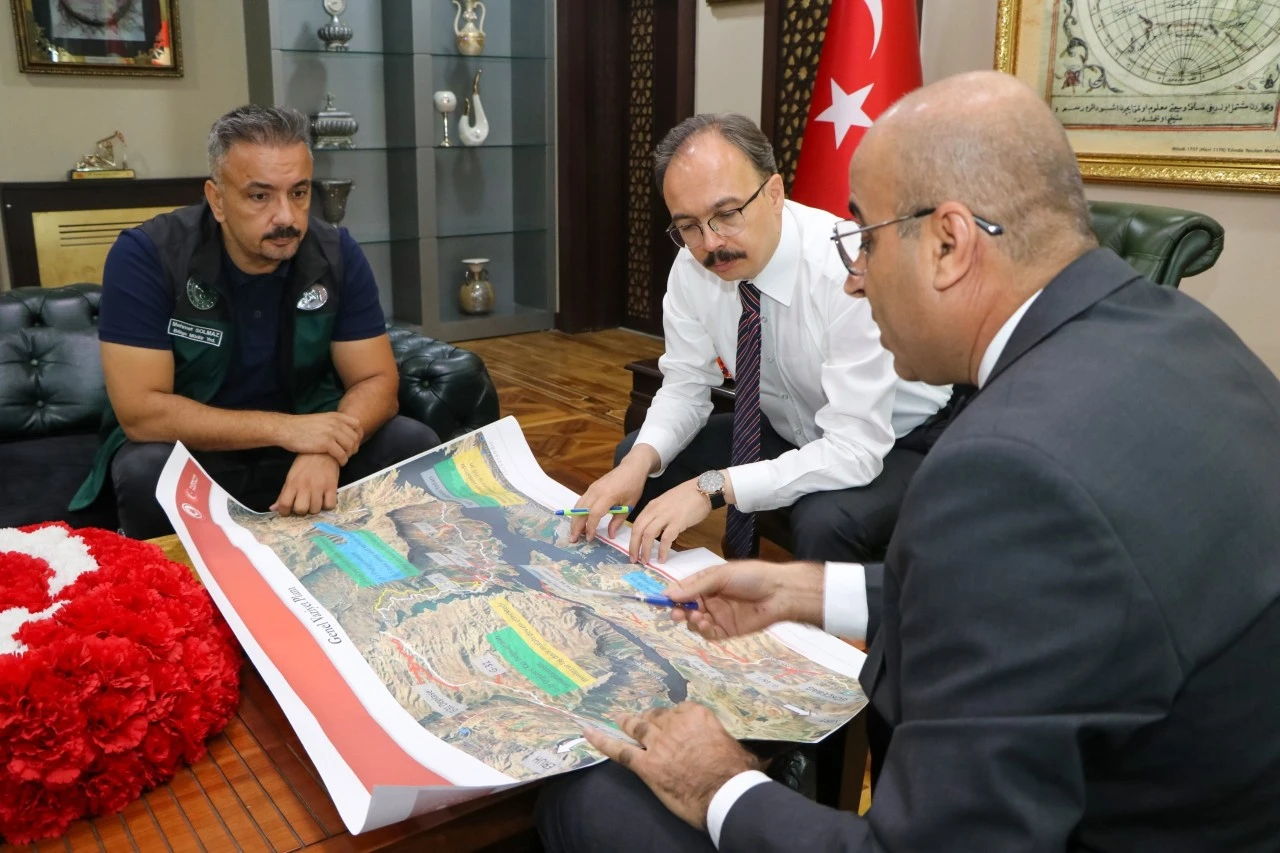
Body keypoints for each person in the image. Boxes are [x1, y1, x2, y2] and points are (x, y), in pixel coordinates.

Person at [536, 71, 1280, 852]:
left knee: (588, 800)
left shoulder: (1001, 468)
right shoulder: (1187, 334)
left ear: (949, 244)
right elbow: (1042, 596)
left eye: (865, 237)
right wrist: (804, 590)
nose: (855, 277)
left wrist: (720, 784)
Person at [572, 113, 951, 570]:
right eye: (688, 226)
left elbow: (854, 449)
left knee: (826, 521)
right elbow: (686, 386)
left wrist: (711, 488)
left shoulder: (846, 270)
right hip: (790, 425)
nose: (711, 243)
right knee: (637, 457)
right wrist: (635, 464)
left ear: (773, 194)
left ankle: (823, 619)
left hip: (898, 440)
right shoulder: (691, 267)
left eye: (726, 215)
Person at [68, 105, 440, 538]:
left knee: (412, 442)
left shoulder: (336, 253)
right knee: (146, 470)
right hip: (201, 448)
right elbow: (141, 413)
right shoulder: (149, 255)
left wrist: (326, 449)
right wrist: (290, 431)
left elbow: (377, 380)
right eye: (260, 196)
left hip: (310, 445)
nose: (286, 217)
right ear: (217, 199)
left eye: (298, 193)